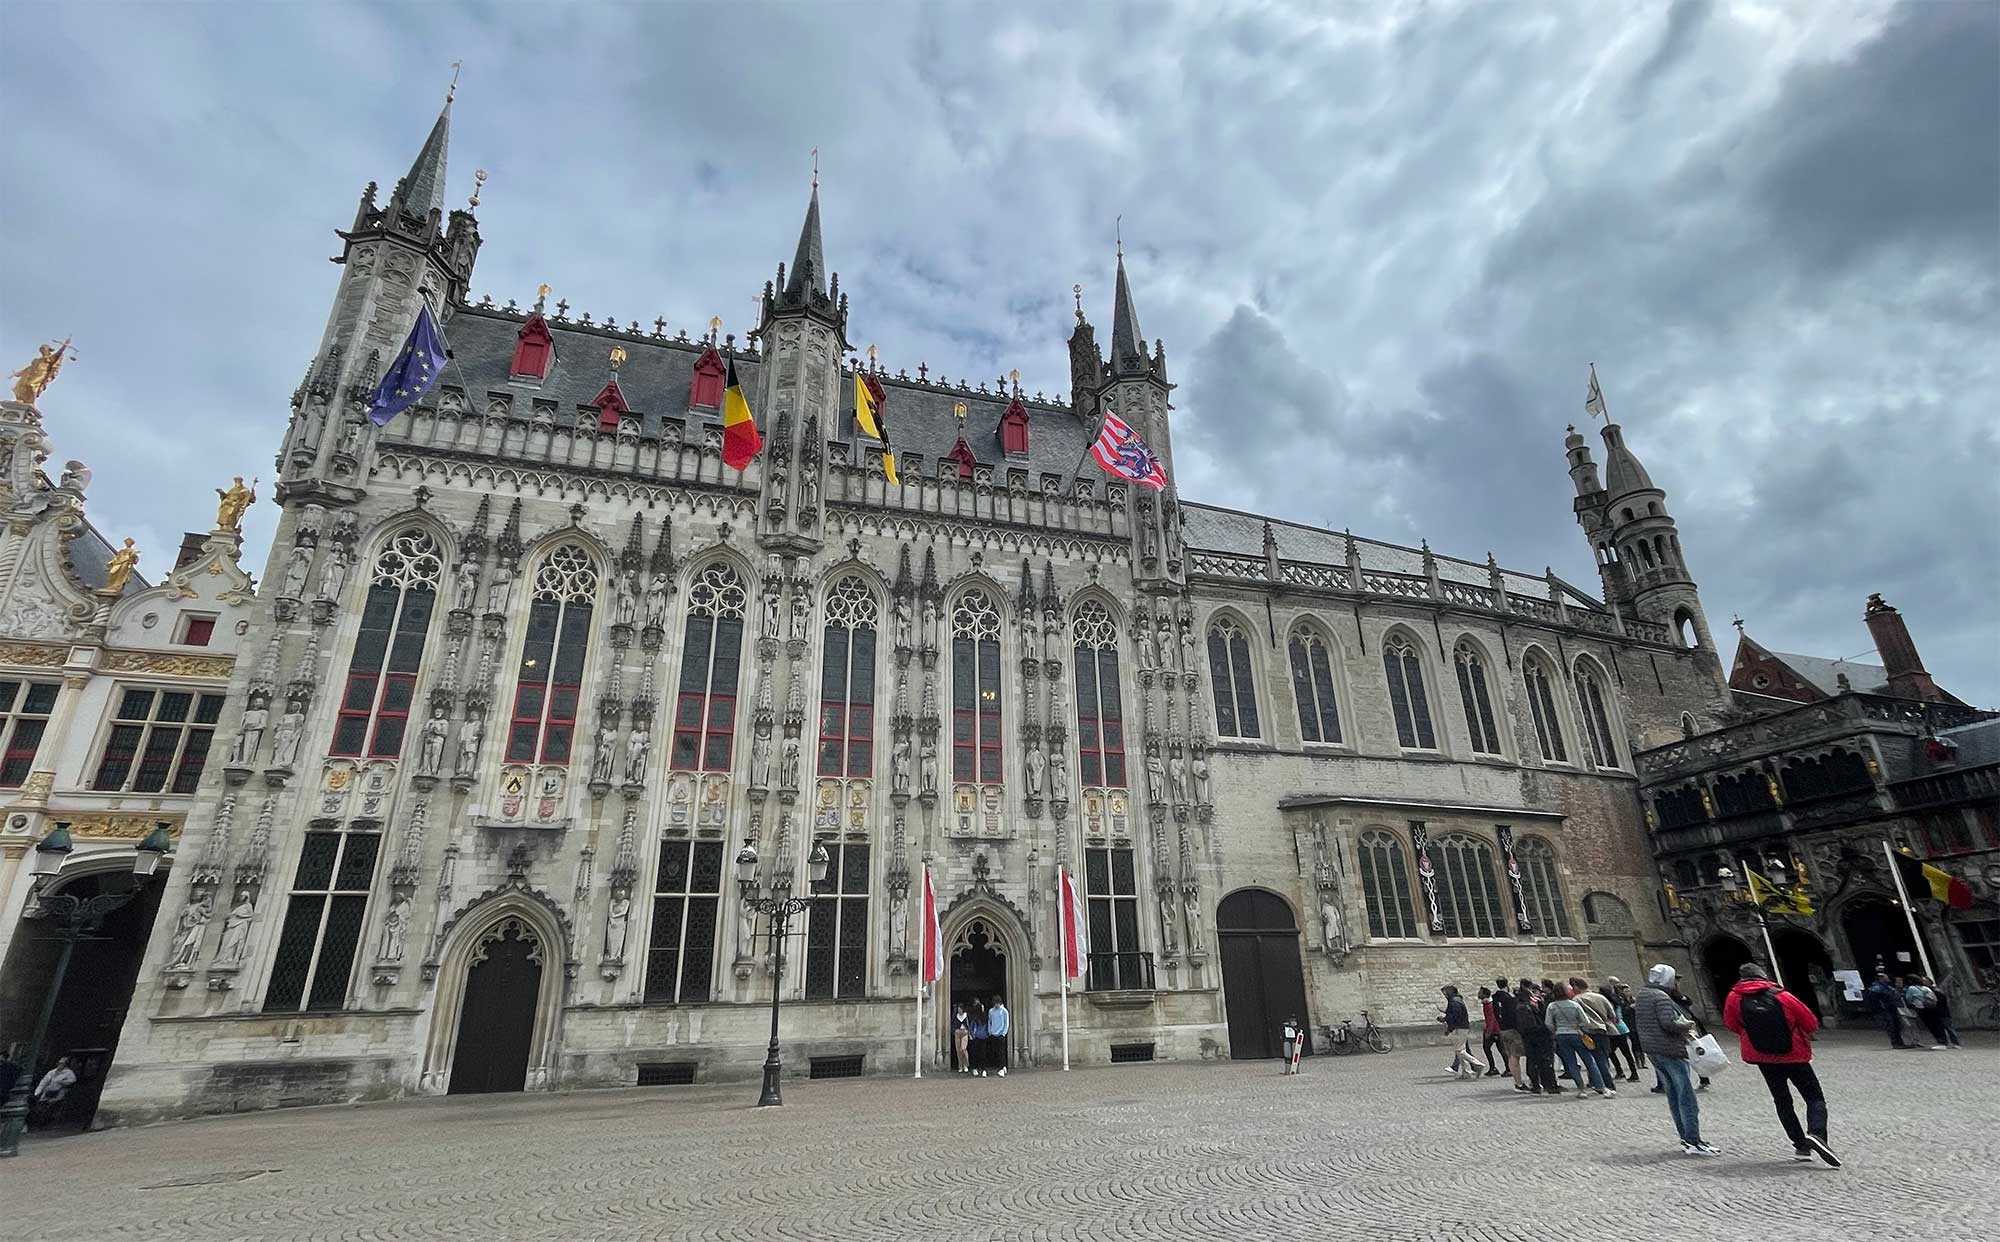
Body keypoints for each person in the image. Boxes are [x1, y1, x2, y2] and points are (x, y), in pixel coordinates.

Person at [1722, 963, 1839, 1167]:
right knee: (1814, 1097)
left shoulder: (1734, 997)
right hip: (1794, 1055)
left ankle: (1800, 1146)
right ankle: (1817, 1134)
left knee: (1782, 1100)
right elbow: (1811, 1023)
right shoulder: (1782, 996)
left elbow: (1731, 1024)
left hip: (1763, 1057)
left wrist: (1751, 1035)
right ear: (1763, 977)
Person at [1634, 964, 1718, 1155]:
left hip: (1653, 1050)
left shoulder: (1644, 995)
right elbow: (1668, 1023)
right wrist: (1686, 1025)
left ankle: (1685, 1139)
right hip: (1670, 1050)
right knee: (1686, 1095)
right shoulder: (1661, 997)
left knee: (1673, 1094)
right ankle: (1693, 1140)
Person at [1547, 981, 1615, 1098]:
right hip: (1576, 1034)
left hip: (1561, 1036)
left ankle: (1581, 1089)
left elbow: (1548, 1023)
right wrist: (1579, 1027)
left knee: (1571, 1063)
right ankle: (1602, 1087)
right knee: (1589, 1061)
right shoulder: (1574, 1005)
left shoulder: (1552, 1006)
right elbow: (1585, 1021)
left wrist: (1556, 1030)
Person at [1570, 977, 1622, 1095]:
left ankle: (1605, 1084)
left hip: (1588, 1032)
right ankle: (1600, 1082)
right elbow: (1612, 1015)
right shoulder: (1601, 997)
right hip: (1603, 1030)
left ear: (1577, 987)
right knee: (1603, 1058)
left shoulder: (1577, 1000)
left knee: (1594, 1060)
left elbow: (1576, 1017)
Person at [1515, 979, 1560, 1095]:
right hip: (1539, 1037)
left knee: (1534, 1061)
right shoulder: (1528, 1007)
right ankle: (1548, 1085)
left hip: (1530, 1038)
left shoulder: (1521, 1006)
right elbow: (1540, 1022)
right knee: (1543, 1061)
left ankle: (1538, 1085)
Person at [1599, 980, 1641, 1082]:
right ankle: (1632, 1073)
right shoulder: (1616, 1001)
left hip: (1614, 1029)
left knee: (1610, 1052)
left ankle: (1621, 1071)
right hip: (1622, 1028)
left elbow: (1614, 1017)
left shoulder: (1608, 1002)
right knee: (1625, 1052)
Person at [1492, 977, 1526, 1088]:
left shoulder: (1495, 998)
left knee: (1511, 1055)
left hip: (1503, 1029)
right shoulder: (1509, 998)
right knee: (1515, 1056)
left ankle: (1517, 1081)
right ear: (1507, 984)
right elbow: (1513, 1014)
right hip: (1512, 1029)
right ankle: (1519, 1082)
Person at [1440, 985, 1477, 1079]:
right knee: (1464, 1049)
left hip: (1460, 1028)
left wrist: (1448, 1026)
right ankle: (1467, 1071)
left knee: (1460, 1050)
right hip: (1461, 1027)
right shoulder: (1455, 1000)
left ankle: (1476, 1065)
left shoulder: (1454, 1002)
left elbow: (1455, 1017)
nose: (1444, 995)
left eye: (1445, 992)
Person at [1904, 976, 1949, 1050]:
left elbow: (1908, 998)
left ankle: (1941, 1042)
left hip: (1921, 1008)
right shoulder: (1926, 988)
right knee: (1937, 1024)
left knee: (1931, 1025)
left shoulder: (1911, 988)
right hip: (1931, 1007)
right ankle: (1944, 1041)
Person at [31, 1055, 77, 1127]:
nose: (60, 1065)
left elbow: (72, 1081)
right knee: (41, 1106)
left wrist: (62, 1082)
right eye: (59, 1063)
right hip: (48, 1091)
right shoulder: (51, 1072)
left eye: (62, 1063)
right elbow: (44, 1081)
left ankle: (50, 1122)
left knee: (53, 1106)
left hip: (59, 1092)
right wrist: (38, 1092)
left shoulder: (69, 1073)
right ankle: (39, 1122)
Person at [1867, 971, 1909, 1049]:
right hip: (1886, 1009)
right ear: (1881, 978)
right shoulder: (1877, 988)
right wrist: (1880, 1008)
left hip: (1892, 1008)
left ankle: (1900, 1042)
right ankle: (1895, 1043)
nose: (1887, 978)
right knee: (1891, 1025)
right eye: (1885, 977)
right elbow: (1874, 1000)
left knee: (1897, 1025)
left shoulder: (1888, 986)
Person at [1925, 976, 1964, 1049]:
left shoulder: (1936, 991)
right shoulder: (1931, 991)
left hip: (1942, 1012)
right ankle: (1944, 1042)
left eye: (1925, 981)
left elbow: (1941, 1001)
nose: (1924, 983)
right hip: (1938, 1012)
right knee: (1941, 1028)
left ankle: (1955, 1043)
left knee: (1948, 1027)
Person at [1478, 986, 1503, 1076]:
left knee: (1488, 1048)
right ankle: (1505, 1068)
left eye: (1480, 992)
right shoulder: (1487, 1004)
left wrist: (1489, 1031)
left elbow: (1491, 1019)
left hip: (1493, 1030)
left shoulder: (1489, 1005)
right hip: (1494, 1029)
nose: (1478, 994)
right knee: (1500, 1049)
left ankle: (1494, 1068)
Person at [986, 994, 1010, 1077]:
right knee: (995, 1052)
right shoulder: (991, 1011)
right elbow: (990, 1021)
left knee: (1001, 1052)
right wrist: (990, 1031)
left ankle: (1001, 1068)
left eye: (997, 1003)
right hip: (993, 1033)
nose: (996, 1005)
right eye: (995, 1003)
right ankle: (1002, 1067)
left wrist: (1003, 1033)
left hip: (1001, 1034)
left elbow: (1006, 1023)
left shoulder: (1004, 1011)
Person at [967, 1001, 989, 1077]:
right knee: (981, 1054)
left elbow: (971, 1027)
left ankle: (977, 1068)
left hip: (978, 1037)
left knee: (977, 1054)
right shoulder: (980, 1017)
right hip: (981, 1037)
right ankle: (982, 1069)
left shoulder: (982, 1017)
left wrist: (973, 1035)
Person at [951, 1002, 971, 1074]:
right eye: (958, 1009)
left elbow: (969, 1024)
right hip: (958, 1033)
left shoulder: (966, 1016)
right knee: (958, 1050)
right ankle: (960, 1066)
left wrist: (969, 1032)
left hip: (964, 1032)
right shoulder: (955, 1016)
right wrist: (954, 1031)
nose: (959, 1010)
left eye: (960, 1009)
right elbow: (953, 1024)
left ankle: (966, 1064)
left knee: (963, 1048)